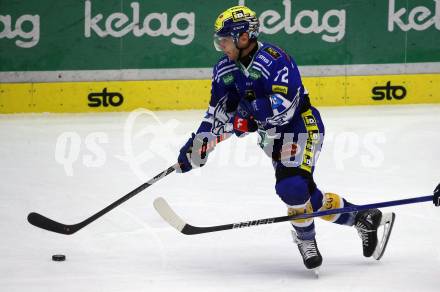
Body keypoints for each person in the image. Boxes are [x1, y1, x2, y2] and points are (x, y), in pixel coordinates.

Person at [176, 5, 387, 271]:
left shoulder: (274, 60)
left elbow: (285, 106)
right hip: (273, 138)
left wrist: (248, 119)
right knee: (306, 196)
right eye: (220, 40)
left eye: (226, 40)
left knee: (292, 188)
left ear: (244, 37)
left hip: (300, 127)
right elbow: (217, 114)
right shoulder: (223, 69)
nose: (222, 46)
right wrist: (198, 146)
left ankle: (305, 238)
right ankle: (360, 217)